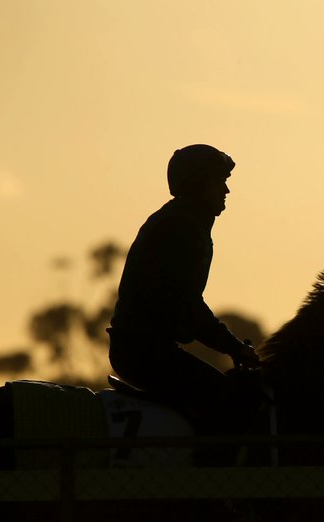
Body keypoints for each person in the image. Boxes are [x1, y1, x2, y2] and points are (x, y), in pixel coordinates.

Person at [108, 144, 259, 425]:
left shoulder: (184, 224)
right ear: (198, 185)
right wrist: (234, 347)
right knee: (227, 401)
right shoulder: (179, 229)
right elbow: (188, 306)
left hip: (148, 349)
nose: (226, 191)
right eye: (220, 182)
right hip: (144, 353)